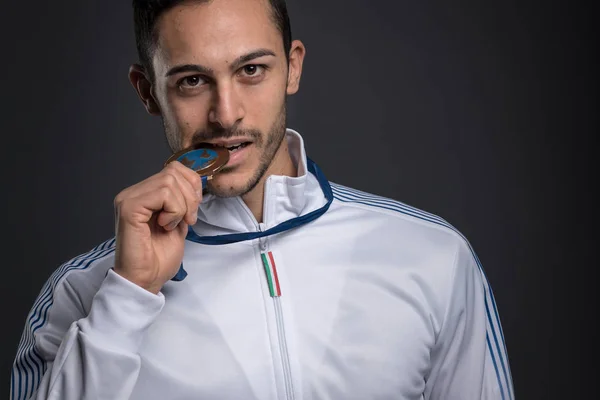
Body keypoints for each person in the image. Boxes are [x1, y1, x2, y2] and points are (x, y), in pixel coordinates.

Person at [10, 0, 515, 399]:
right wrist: (128, 294)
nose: (226, 114)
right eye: (192, 81)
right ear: (148, 93)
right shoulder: (82, 295)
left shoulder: (434, 256)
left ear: (292, 68)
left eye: (251, 70)